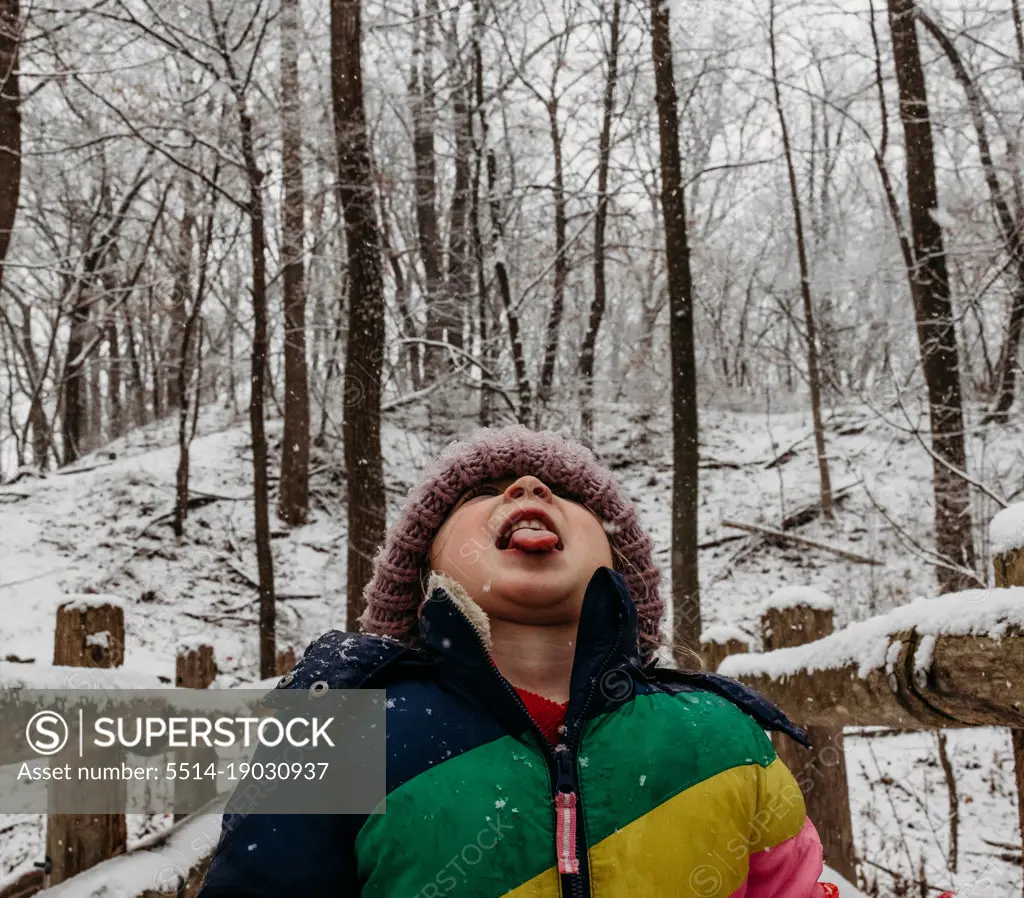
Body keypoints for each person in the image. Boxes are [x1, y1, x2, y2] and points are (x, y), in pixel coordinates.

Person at [199, 425, 844, 897]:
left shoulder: (720, 736)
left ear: (619, 562)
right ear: (424, 569)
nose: (529, 485)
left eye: (567, 492)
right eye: (480, 491)